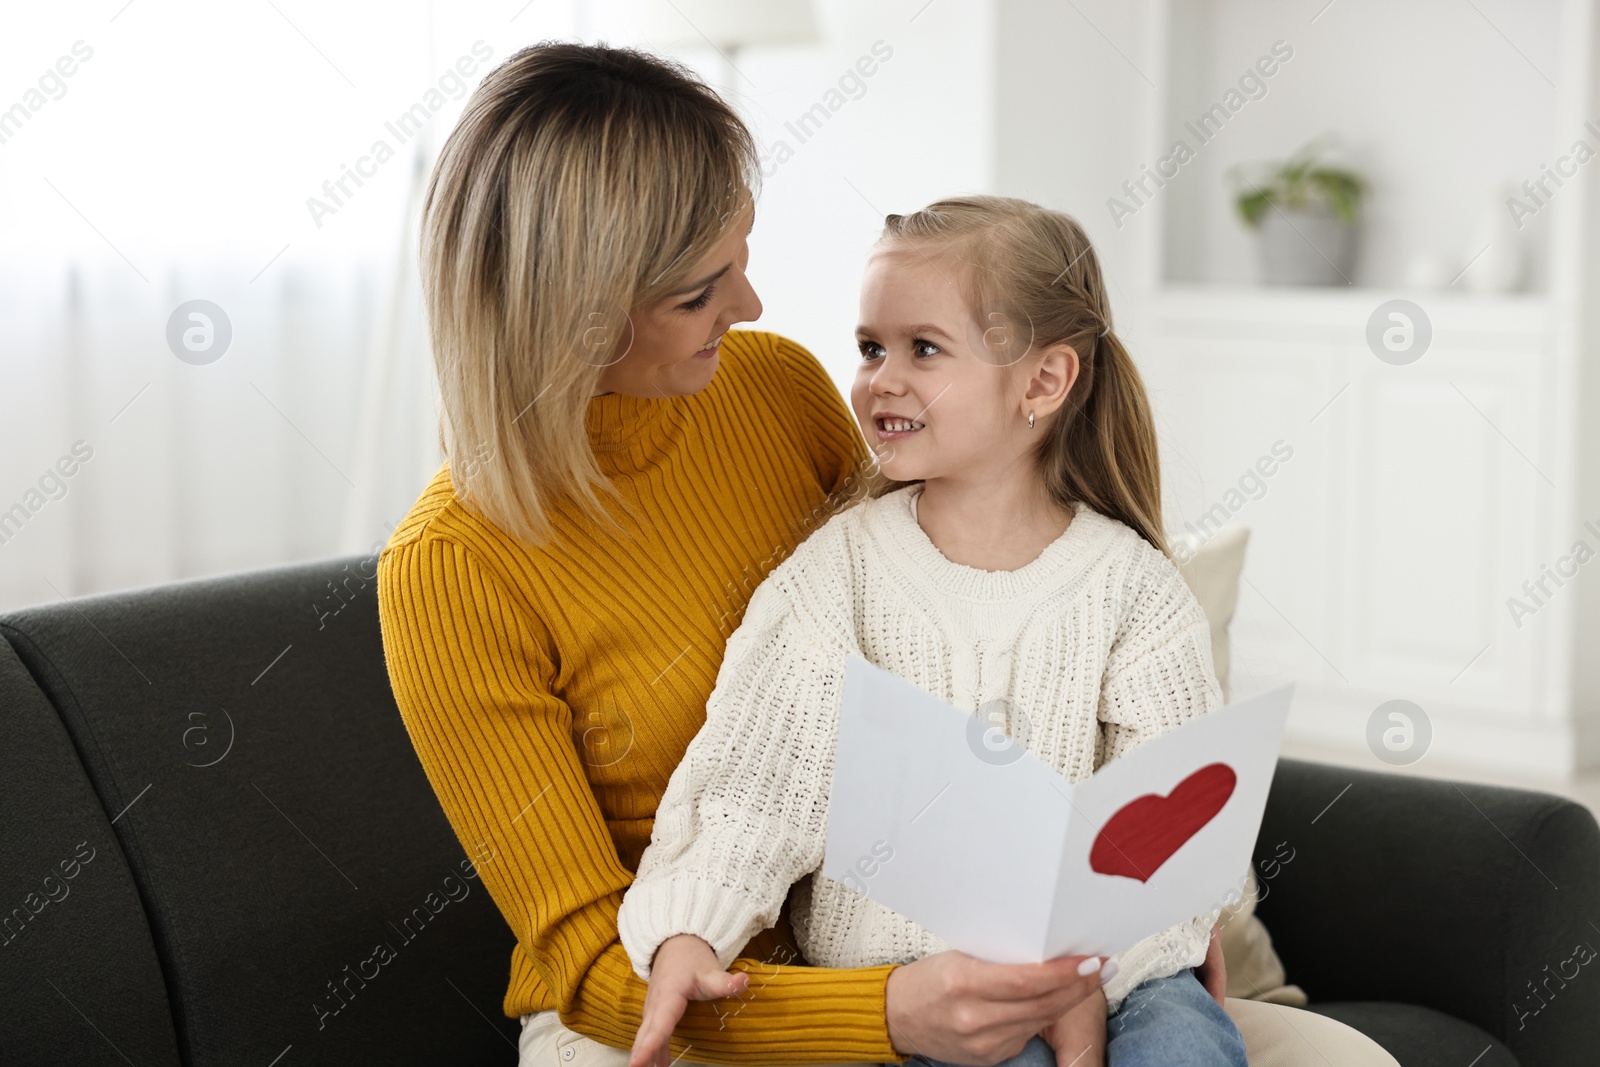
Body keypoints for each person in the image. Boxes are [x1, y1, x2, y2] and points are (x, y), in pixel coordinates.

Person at [377, 40, 1400, 1067]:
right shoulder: (455, 567)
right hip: (680, 998)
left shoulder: (770, 387)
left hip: (999, 969)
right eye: (701, 288)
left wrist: (1167, 927)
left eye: (743, 255)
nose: (751, 305)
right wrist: (884, 1008)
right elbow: (633, 917)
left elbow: (1137, 753)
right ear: (582, 311)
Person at [618, 196, 1246, 1067]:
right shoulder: (836, 573)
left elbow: (1174, 816)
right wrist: (690, 930)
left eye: (924, 348)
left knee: (1185, 1045)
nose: (882, 379)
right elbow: (754, 785)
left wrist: (1087, 973)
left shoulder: (1131, 585)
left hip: (1117, 972)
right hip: (916, 987)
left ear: (1043, 382)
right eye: (872, 347)